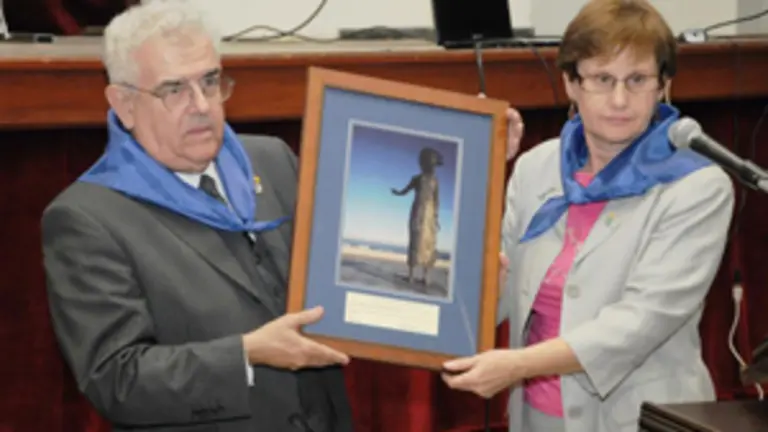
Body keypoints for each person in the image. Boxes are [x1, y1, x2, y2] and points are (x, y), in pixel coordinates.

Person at [41, 2, 354, 431]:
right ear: (124, 103)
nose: (202, 104)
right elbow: (117, 378)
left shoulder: (273, 161)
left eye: (210, 81)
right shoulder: (86, 218)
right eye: (174, 90)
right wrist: (245, 354)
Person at [441, 1, 735, 432]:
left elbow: (639, 322)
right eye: (601, 79)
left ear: (662, 86)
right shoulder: (536, 167)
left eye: (637, 79)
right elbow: (496, 301)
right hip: (535, 417)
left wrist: (518, 364)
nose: (619, 99)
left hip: (641, 418)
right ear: (571, 84)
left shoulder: (696, 186)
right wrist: (473, 171)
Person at [391, 147, 444, 286]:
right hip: (422, 212)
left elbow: (436, 200)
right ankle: (416, 276)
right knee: (421, 243)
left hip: (425, 213)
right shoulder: (421, 179)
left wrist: (436, 217)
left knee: (426, 243)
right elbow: (406, 191)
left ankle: (419, 276)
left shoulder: (432, 180)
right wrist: (397, 192)